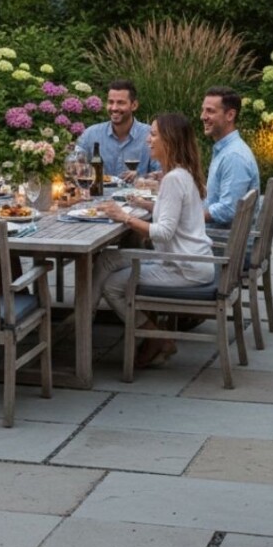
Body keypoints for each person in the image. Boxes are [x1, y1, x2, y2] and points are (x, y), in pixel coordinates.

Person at [92, 113, 214, 367]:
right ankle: (84, 319)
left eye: (154, 134)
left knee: (113, 286)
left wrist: (123, 217)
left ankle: (156, 337)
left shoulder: (173, 179)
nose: (148, 139)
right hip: (190, 260)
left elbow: (162, 232)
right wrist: (143, 203)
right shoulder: (181, 173)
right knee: (106, 258)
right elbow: (174, 213)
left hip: (183, 267)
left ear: (169, 141)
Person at [200, 86, 260, 228]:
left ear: (230, 115)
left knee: (158, 234)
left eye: (210, 111)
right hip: (218, 238)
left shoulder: (234, 156)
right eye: (203, 110)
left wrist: (188, 217)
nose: (202, 116)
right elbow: (216, 196)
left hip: (222, 243)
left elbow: (228, 210)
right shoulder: (226, 150)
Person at [76, 79, 157, 181]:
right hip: (98, 196)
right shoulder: (91, 134)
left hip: (139, 196)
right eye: (110, 102)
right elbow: (76, 167)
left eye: (120, 103)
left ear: (134, 105)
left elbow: (162, 175)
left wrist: (142, 177)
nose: (114, 108)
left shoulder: (150, 136)